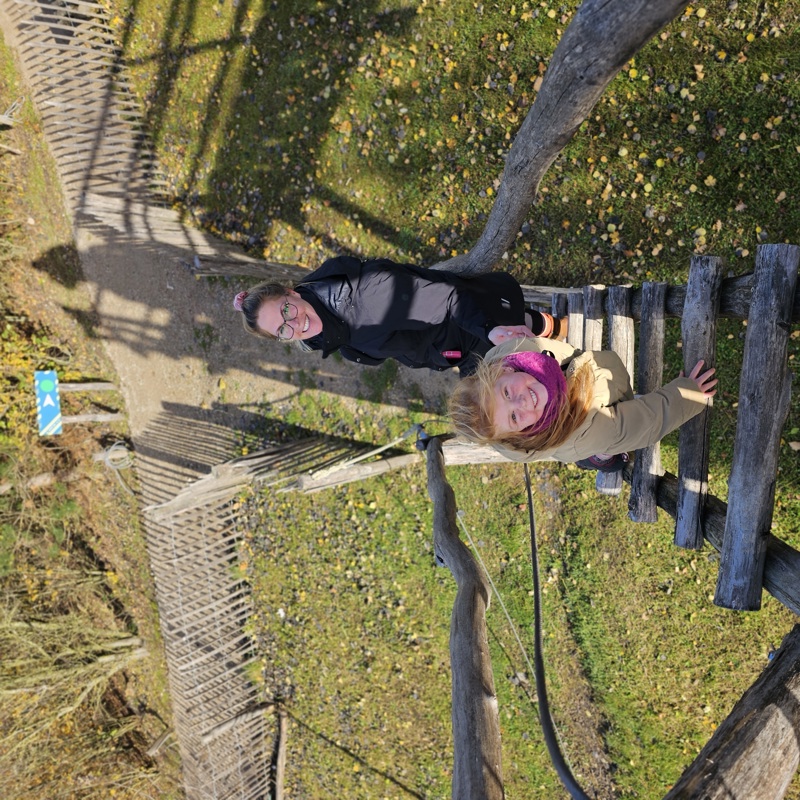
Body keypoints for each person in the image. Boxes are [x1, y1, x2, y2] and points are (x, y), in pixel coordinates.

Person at [232, 256, 566, 374]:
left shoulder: (368, 295)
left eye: (286, 311)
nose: (295, 324)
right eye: (282, 330)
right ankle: (547, 327)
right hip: (445, 347)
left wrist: (490, 329)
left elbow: (449, 300)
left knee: (499, 407)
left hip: (467, 326)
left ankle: (555, 332)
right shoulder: (320, 327)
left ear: (290, 291)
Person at [448, 337, 717, 469]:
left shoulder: (512, 354)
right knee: (607, 450)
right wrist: (687, 394)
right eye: (514, 418)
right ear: (517, 433)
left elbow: (535, 344)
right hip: (593, 434)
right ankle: (603, 459)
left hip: (601, 381)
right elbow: (647, 421)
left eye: (507, 393)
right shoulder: (589, 429)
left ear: (503, 372)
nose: (521, 402)